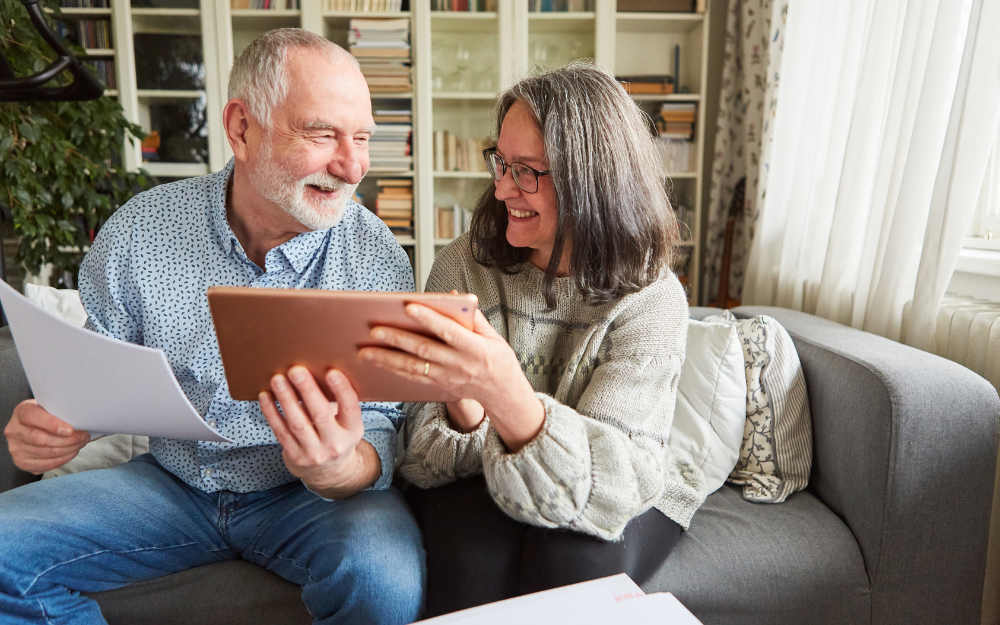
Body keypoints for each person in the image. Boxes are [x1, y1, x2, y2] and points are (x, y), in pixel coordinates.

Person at [0, 29, 423, 625]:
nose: (352, 166)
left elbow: (384, 425)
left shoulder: (374, 255)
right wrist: (57, 426)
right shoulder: (140, 230)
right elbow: (96, 380)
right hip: (171, 487)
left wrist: (340, 469)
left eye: (361, 139)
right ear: (241, 128)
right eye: (322, 134)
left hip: (308, 501)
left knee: (383, 580)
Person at [358, 62, 708, 617]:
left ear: (590, 179)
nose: (501, 189)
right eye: (500, 162)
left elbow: (613, 484)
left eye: (526, 171)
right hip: (482, 475)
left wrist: (504, 393)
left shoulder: (651, 295)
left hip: (621, 487)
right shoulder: (463, 267)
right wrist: (469, 412)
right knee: (469, 557)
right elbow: (421, 458)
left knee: (572, 564)